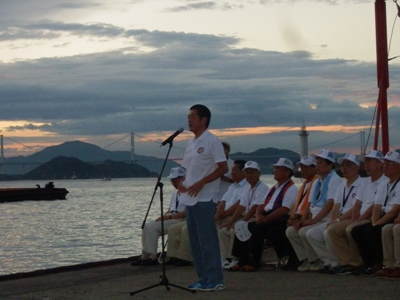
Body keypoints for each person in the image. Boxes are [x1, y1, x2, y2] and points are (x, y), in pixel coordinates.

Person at [178, 104, 228, 292]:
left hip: (205, 199)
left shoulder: (212, 141)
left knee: (208, 242)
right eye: (188, 116)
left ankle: (215, 280)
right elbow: (188, 170)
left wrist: (201, 183)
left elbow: (223, 168)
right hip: (190, 199)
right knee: (196, 243)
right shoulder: (191, 143)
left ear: (203, 120)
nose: (188, 120)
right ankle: (203, 278)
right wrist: (183, 182)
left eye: (192, 116)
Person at [325, 150, 386, 275]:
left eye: (370, 161)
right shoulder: (366, 181)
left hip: (372, 216)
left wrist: (358, 221)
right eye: (365, 162)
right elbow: (357, 204)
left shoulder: (384, 181)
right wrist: (354, 219)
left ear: (380, 164)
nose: (366, 165)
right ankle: (346, 262)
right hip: (360, 216)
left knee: (351, 229)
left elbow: (375, 206)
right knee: (333, 230)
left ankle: (357, 262)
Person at [237, 158, 299, 272]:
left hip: (279, 218)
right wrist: (259, 214)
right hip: (267, 216)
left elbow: (284, 209)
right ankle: (243, 259)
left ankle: (254, 261)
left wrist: (265, 219)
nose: (275, 171)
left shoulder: (291, 189)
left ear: (287, 172)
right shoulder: (274, 188)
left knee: (258, 228)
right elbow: (261, 204)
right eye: (275, 169)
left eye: (278, 169)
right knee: (244, 226)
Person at [286, 149, 342, 272]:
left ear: (330, 164)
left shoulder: (335, 180)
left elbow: (330, 204)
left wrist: (313, 220)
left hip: (326, 218)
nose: (318, 165)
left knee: (308, 232)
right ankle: (308, 258)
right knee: (291, 231)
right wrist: (303, 220)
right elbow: (309, 204)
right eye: (317, 162)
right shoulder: (317, 181)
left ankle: (326, 261)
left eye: (321, 162)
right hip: (315, 218)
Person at [351, 150, 400, 276]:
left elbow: (394, 210)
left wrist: (376, 224)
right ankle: (373, 263)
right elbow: (376, 207)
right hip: (383, 216)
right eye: (385, 163)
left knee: (375, 230)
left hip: (392, 216)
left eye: (389, 164)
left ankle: (388, 264)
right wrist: (374, 222)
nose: (385, 166)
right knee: (357, 231)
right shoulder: (384, 184)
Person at [314, 154, 363, 274]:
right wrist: (333, 220)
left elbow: (355, 208)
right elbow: (336, 206)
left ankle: (345, 262)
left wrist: (336, 221)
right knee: (317, 232)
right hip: (341, 218)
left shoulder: (363, 183)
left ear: (357, 167)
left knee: (331, 230)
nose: (344, 168)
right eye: (343, 166)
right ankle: (333, 262)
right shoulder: (342, 186)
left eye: (348, 165)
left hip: (353, 217)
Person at [131, 167, 186, 266]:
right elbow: (171, 209)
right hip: (172, 216)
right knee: (147, 226)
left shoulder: (188, 193)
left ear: (183, 179)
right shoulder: (175, 193)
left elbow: (187, 212)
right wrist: (163, 216)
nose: (173, 182)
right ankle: (145, 256)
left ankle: (152, 257)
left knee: (152, 227)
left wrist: (167, 218)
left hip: (180, 218)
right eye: (171, 180)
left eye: (175, 180)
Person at [222, 160, 269, 271]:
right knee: (229, 228)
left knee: (242, 227)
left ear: (258, 173)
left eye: (252, 172)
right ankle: (237, 259)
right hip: (248, 217)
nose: (249, 175)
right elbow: (241, 207)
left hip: (256, 217)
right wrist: (231, 222)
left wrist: (242, 221)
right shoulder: (248, 188)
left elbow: (255, 207)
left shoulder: (263, 187)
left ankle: (251, 261)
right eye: (247, 173)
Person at [216, 159, 249, 269]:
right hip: (225, 215)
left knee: (224, 230)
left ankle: (231, 258)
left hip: (236, 216)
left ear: (243, 172)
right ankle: (222, 258)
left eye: (235, 170)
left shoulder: (247, 186)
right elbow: (223, 201)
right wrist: (219, 212)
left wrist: (224, 214)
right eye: (231, 170)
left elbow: (239, 204)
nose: (232, 173)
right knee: (204, 227)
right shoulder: (232, 186)